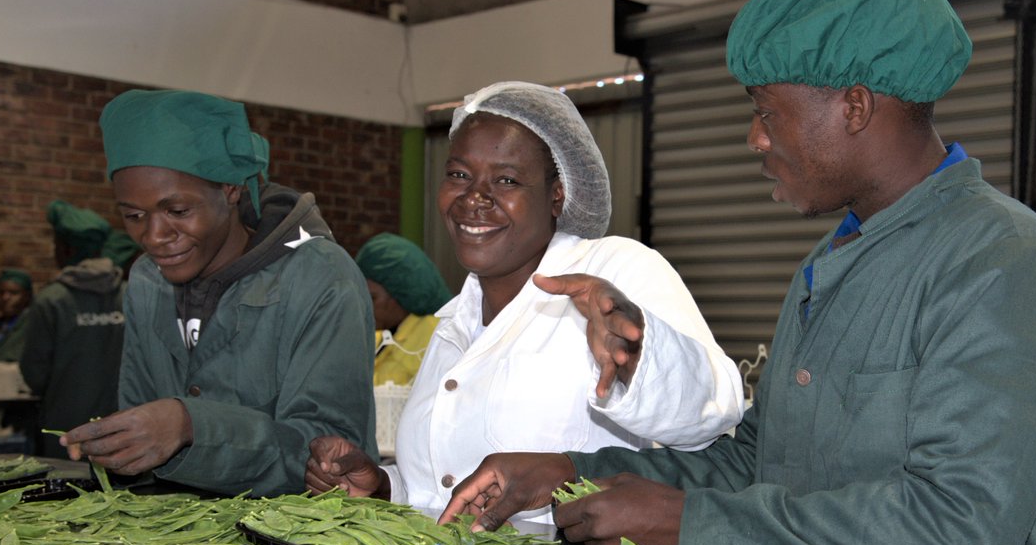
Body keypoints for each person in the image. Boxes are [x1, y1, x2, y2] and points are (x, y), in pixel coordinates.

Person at [441, 0, 1036, 545]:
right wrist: (569, 474)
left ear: (854, 107)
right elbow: (757, 462)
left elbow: (961, 534)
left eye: (766, 111)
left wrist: (694, 526)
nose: (754, 138)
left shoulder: (998, 264)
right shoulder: (832, 262)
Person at [306, 81, 744, 516]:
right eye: (459, 174)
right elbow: (445, 489)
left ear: (558, 196)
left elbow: (712, 412)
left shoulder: (615, 270)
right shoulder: (455, 322)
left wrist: (639, 350)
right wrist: (384, 487)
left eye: (507, 180)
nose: (474, 198)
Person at [56, 89, 376, 497]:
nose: (153, 237)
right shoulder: (147, 280)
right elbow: (139, 410)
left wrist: (191, 426)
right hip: (176, 537)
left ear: (230, 190)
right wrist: (124, 444)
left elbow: (332, 458)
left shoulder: (320, 278)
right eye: (133, 216)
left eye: (178, 211)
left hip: (285, 541)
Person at [19, 200, 126, 457]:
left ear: (66, 249)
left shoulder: (52, 300)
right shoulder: (130, 295)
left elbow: (34, 372)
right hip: (123, 428)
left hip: (65, 433)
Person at [355, 232, 453, 386]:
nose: (364, 307)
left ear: (400, 293)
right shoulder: (379, 335)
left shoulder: (438, 336)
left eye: (373, 298)